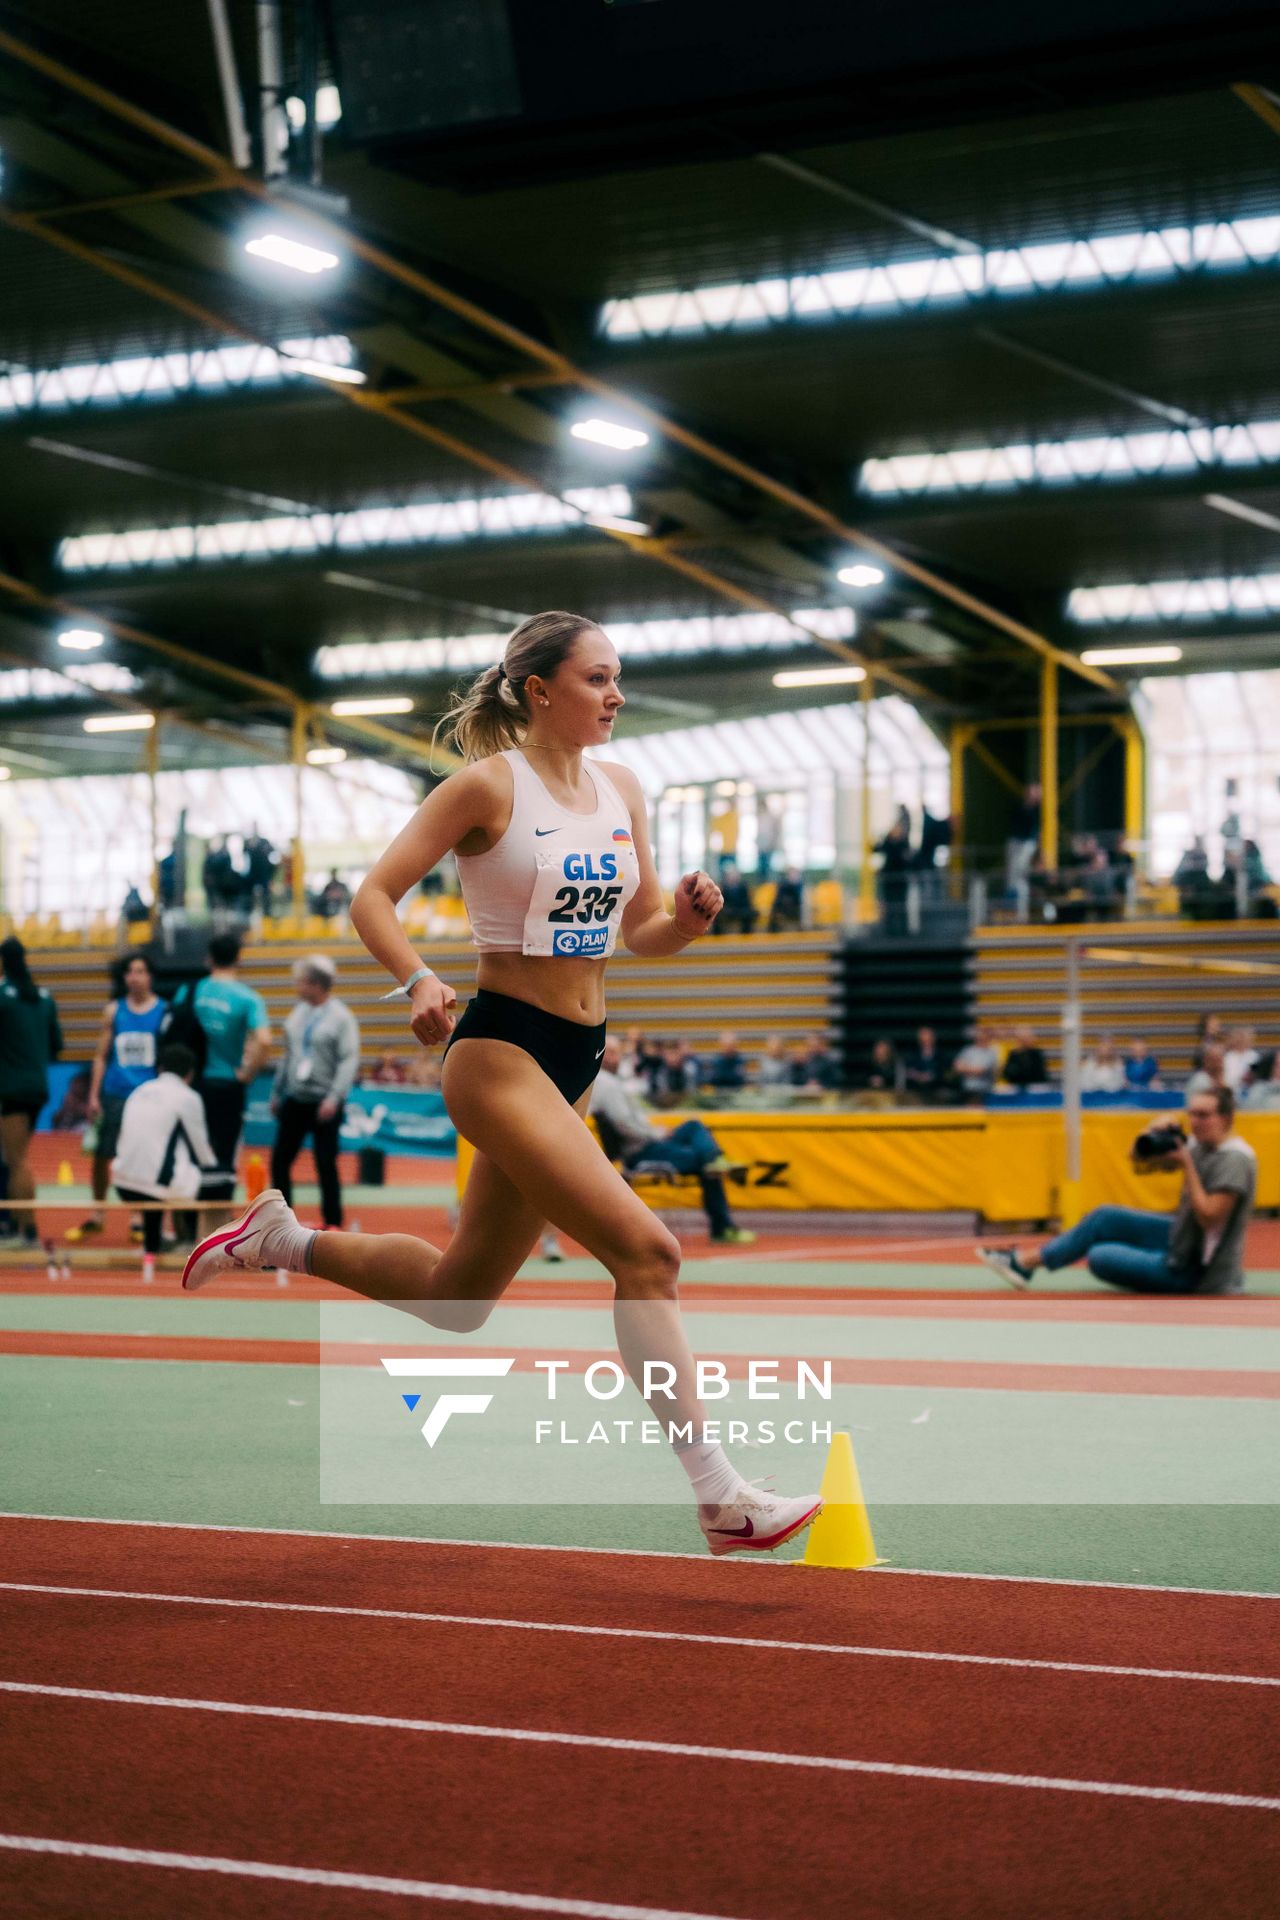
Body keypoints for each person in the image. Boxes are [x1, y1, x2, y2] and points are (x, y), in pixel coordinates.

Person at [182, 609, 819, 1556]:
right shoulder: (486, 787)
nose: (616, 694)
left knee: (459, 1296)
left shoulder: (622, 788)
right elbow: (372, 895)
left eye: (617, 677)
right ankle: (721, 1497)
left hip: (578, 1059)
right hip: (500, 1053)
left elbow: (640, 931)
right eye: (598, 678)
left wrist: (686, 923)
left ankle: (282, 1240)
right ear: (540, 691)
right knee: (649, 1254)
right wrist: (417, 979)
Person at [978, 1086, 1257, 1295]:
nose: (1195, 1122)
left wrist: (1187, 1165)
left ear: (1227, 1119)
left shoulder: (1234, 1159)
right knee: (1105, 1217)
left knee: (1100, 1256)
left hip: (1200, 1273)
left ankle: (1022, 1263)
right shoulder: (1197, 1145)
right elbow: (1138, 1162)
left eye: (1204, 1115)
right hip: (1181, 1241)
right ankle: (1023, 1263)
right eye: (1192, 1114)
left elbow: (1210, 1217)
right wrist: (1150, 1132)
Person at [591, 1038, 756, 1246]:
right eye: (611, 1052)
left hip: (649, 1142)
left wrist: (658, 1132)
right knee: (704, 1164)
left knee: (693, 1126)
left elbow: (631, 1122)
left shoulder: (614, 1082)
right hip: (642, 1150)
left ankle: (714, 1159)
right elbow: (625, 1124)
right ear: (602, 1053)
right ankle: (721, 1226)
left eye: (617, 1052)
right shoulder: (607, 1084)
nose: (615, 1057)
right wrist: (657, 1134)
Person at [72, 952, 169, 1243]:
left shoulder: (164, 1011)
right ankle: (98, 1212)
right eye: (130, 972)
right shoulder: (114, 1011)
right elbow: (101, 1056)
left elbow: (165, 1058)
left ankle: (138, 1216)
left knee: (142, 1158)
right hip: (115, 1093)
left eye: (140, 971)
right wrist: (94, 1095)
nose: (134, 977)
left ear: (150, 976)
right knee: (102, 1155)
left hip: (148, 1097)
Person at [112, 1044, 233, 1258]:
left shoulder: (139, 1091)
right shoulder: (188, 1097)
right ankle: (196, 1242)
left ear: (160, 1068)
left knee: (161, 1170)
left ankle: (153, 1244)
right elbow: (203, 1154)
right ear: (190, 1073)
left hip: (122, 1184)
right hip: (155, 1187)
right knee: (224, 1177)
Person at [270, 956, 360, 1229]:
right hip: (296, 1099)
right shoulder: (297, 1014)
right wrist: (277, 1091)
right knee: (280, 1161)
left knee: (325, 1163)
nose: (296, 987)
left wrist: (334, 1097)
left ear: (315, 984)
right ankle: (283, 1222)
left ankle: (332, 1221)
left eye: (300, 982)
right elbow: (288, 1055)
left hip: (324, 1102)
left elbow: (348, 1060)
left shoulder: (341, 1018)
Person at [191, 932, 272, 1194]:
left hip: (194, 1082)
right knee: (225, 1154)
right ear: (239, 959)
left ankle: (188, 1215)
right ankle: (220, 1214)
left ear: (209, 959)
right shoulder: (248, 998)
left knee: (193, 1151)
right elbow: (264, 1040)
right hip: (228, 1084)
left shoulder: (190, 991)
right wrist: (247, 1074)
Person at [0, 938, 62, 1251]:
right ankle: (17, 1224)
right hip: (38, 1086)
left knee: (17, 1161)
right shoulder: (43, 997)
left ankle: (28, 1230)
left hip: (10, 1087)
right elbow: (56, 1046)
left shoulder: (3, 997)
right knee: (17, 1156)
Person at [951, 1023, 999, 1102]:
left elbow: (980, 1070)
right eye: (978, 1033)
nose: (980, 1035)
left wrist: (966, 1068)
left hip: (984, 1090)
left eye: (983, 1033)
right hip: (967, 1089)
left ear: (988, 1036)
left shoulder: (992, 1051)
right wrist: (972, 1069)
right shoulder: (968, 1050)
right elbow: (957, 1067)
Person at [902, 1026, 946, 1102]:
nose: (926, 1040)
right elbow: (907, 1071)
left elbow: (945, 1072)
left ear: (933, 1038)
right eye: (923, 1037)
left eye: (928, 1037)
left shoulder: (941, 1055)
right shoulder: (912, 1055)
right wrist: (918, 1076)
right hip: (915, 1089)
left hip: (937, 1089)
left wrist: (931, 1076)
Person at [713, 861, 757, 935]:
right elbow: (721, 902)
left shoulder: (743, 887)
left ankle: (746, 936)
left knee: (749, 914)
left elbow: (747, 902)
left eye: (735, 875)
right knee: (717, 915)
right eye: (731, 875)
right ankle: (717, 936)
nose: (733, 877)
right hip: (728, 911)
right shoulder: (723, 888)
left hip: (740, 910)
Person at [1002, 1024, 1049, 1089]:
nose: (1024, 1041)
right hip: (1017, 1087)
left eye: (1027, 1038)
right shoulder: (1014, 1054)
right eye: (1022, 1039)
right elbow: (1006, 1073)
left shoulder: (1037, 1053)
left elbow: (1039, 1075)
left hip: (1035, 1087)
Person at [704, 1029, 747, 1095]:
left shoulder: (740, 1061)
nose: (728, 1048)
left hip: (736, 1093)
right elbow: (713, 1080)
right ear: (722, 1045)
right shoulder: (715, 1061)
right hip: (718, 1094)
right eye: (726, 1045)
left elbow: (740, 1080)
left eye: (731, 1045)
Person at [1223, 1025, 1259, 1094]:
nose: (1242, 1041)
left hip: (1249, 1090)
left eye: (1245, 1038)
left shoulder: (1254, 1057)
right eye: (1240, 1038)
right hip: (1229, 1089)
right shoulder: (1228, 1056)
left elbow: (1254, 1075)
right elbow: (1226, 1076)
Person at [767, 867, 804, 932]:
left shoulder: (800, 886)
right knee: (774, 911)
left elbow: (798, 900)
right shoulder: (783, 885)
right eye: (791, 874)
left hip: (796, 909)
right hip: (783, 908)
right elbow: (778, 899)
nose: (793, 876)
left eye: (795, 874)